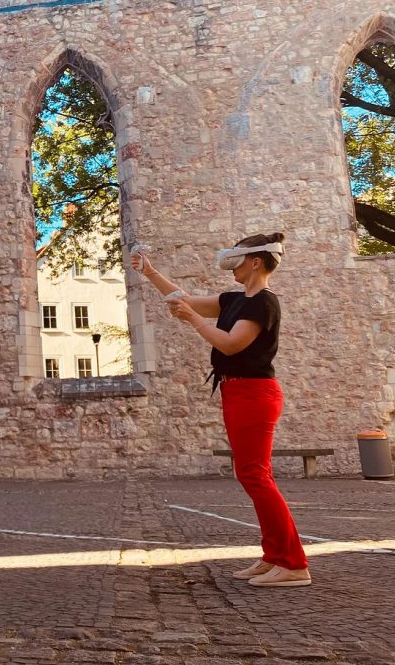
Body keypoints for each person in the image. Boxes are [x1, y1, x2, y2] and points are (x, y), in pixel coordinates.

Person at [131, 233, 311, 588]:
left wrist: (193, 322)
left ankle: (292, 563)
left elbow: (231, 344)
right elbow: (185, 300)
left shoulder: (264, 303)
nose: (233, 267)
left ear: (255, 262)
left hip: (254, 393)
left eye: (238, 260)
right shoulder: (233, 300)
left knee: (256, 476)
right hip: (237, 392)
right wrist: (151, 273)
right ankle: (273, 556)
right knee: (251, 475)